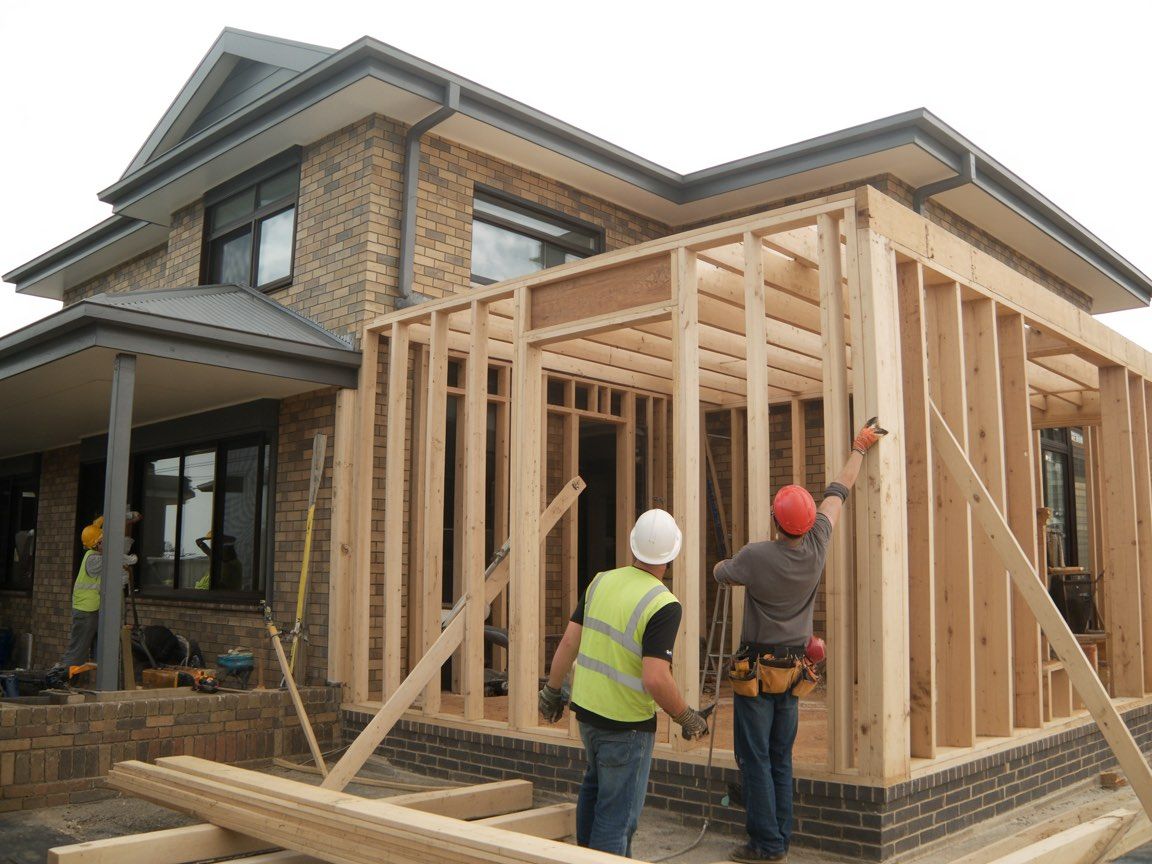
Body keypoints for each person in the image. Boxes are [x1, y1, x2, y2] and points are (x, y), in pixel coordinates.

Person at [714, 418, 886, 863]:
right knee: (780, 758)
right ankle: (780, 839)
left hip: (756, 672)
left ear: (776, 519)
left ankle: (766, 844)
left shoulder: (754, 556)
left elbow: (721, 573)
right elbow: (838, 492)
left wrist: (723, 566)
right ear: (807, 524)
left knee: (754, 760)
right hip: (792, 673)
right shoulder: (818, 546)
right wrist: (859, 449)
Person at [538, 508, 711, 857]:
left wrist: (552, 691)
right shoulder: (663, 603)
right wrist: (685, 716)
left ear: (633, 546)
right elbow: (655, 677)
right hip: (626, 727)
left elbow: (569, 642)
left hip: (587, 715)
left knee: (595, 787)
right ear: (671, 555)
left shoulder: (601, 580)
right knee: (616, 819)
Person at [51, 512, 141, 675]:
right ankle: (60, 678)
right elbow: (115, 558)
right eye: (102, 541)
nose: (106, 543)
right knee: (78, 650)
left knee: (102, 647)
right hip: (86, 611)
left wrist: (127, 518)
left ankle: (95, 679)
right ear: (95, 544)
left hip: (94, 609)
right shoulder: (93, 559)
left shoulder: (97, 550)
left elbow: (104, 518)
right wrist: (131, 559)